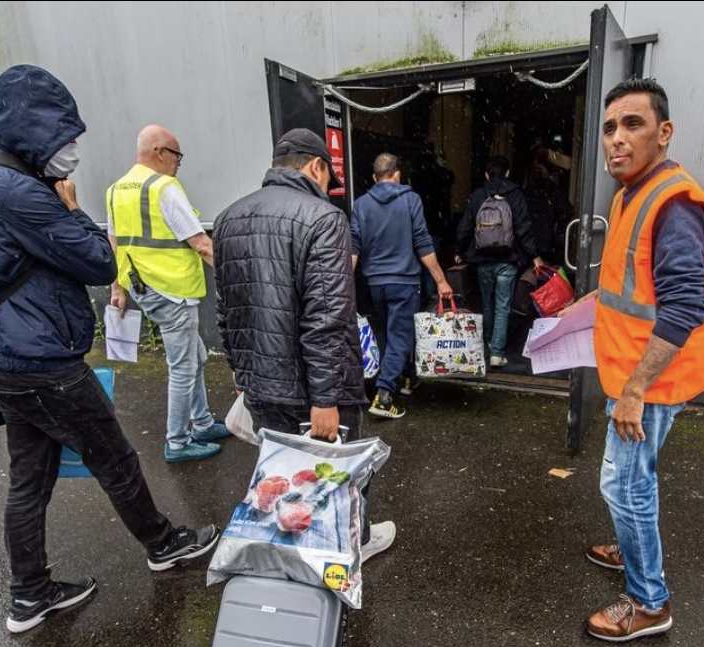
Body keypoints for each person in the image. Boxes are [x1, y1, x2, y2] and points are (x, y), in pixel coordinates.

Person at [0, 65, 220, 634]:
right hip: (40, 361)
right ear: (34, 128)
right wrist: (69, 207)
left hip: (5, 357)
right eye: (65, 136)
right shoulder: (15, 191)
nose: (73, 149)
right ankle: (163, 543)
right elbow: (99, 260)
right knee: (114, 456)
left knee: (29, 477)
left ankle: (29, 595)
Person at [582, 78, 704, 642]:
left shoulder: (674, 205)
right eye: (609, 128)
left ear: (664, 132)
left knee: (625, 486)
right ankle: (630, 548)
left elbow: (684, 306)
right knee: (630, 480)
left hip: (650, 381)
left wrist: (635, 391)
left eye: (633, 124)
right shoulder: (633, 194)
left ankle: (649, 603)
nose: (616, 139)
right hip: (638, 370)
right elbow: (636, 284)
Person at [212, 128, 396, 561]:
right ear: (316, 166)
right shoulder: (324, 218)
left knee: (282, 471)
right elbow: (327, 318)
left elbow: (227, 309)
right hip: (314, 389)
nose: (329, 187)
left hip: (261, 384)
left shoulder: (228, 219)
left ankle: (293, 549)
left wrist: (242, 374)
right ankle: (350, 547)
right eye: (329, 177)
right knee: (339, 474)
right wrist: (325, 398)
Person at [106, 124, 231, 463]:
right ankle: (177, 442)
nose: (178, 163)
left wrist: (117, 287)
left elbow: (114, 243)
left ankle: (202, 423)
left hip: (145, 288)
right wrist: (240, 279)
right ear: (160, 152)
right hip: (174, 290)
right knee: (183, 367)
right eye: (177, 155)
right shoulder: (164, 188)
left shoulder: (116, 190)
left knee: (196, 356)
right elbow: (202, 244)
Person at [349, 153, 454, 419]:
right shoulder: (410, 199)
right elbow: (423, 243)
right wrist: (441, 280)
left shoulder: (361, 204)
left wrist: (343, 283)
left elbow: (353, 247)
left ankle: (405, 378)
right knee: (400, 336)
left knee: (387, 333)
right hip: (404, 282)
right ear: (397, 173)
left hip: (375, 284)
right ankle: (384, 396)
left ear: (375, 177)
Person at [455, 156, 542, 368]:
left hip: (483, 259)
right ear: (508, 173)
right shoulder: (515, 194)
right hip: (507, 260)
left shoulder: (478, 195)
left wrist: (459, 249)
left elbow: (466, 225)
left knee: (487, 303)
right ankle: (497, 352)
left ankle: (486, 346)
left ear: (487, 174)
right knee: (503, 306)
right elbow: (523, 227)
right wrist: (534, 255)